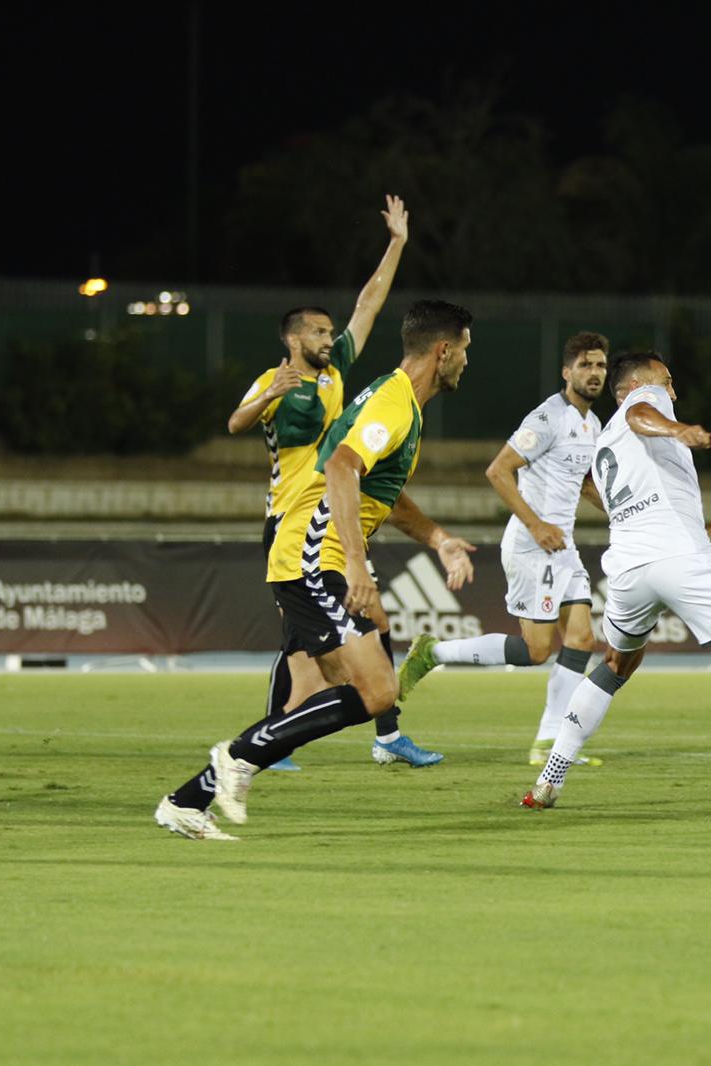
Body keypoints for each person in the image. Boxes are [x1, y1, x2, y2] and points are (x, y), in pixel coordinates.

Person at [154, 300, 477, 840]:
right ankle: (236, 758)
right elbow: (342, 467)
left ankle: (187, 802)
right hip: (314, 554)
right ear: (443, 350)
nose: (467, 361)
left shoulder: (398, 404)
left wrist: (439, 539)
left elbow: (385, 495)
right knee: (375, 692)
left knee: (327, 689)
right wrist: (356, 564)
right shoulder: (394, 403)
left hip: (310, 551)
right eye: (465, 349)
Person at [519, 351, 711, 819]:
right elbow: (643, 413)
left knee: (614, 666)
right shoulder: (643, 406)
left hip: (627, 570)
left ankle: (548, 781)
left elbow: (681, 526)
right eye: (667, 379)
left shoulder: (608, 445)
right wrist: (678, 429)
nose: (673, 390)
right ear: (636, 385)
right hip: (681, 562)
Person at [224, 194, 439, 770]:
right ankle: (278, 740)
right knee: (305, 639)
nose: (330, 336)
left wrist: (396, 243)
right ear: (294, 339)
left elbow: (368, 305)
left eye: (328, 331)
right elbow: (234, 421)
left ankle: (354, 735)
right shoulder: (274, 380)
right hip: (289, 523)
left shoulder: (336, 371)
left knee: (336, 633)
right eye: (319, 331)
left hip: (327, 517)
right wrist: (265, 397)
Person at [398, 332, 610, 767]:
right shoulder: (548, 417)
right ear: (567, 372)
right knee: (535, 652)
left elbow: (584, 482)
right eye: (586, 365)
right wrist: (536, 525)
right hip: (535, 546)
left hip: (561, 546)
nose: (595, 374)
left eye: (601, 366)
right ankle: (432, 653)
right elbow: (498, 471)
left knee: (583, 638)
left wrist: (620, 512)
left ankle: (550, 743)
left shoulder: (594, 425)